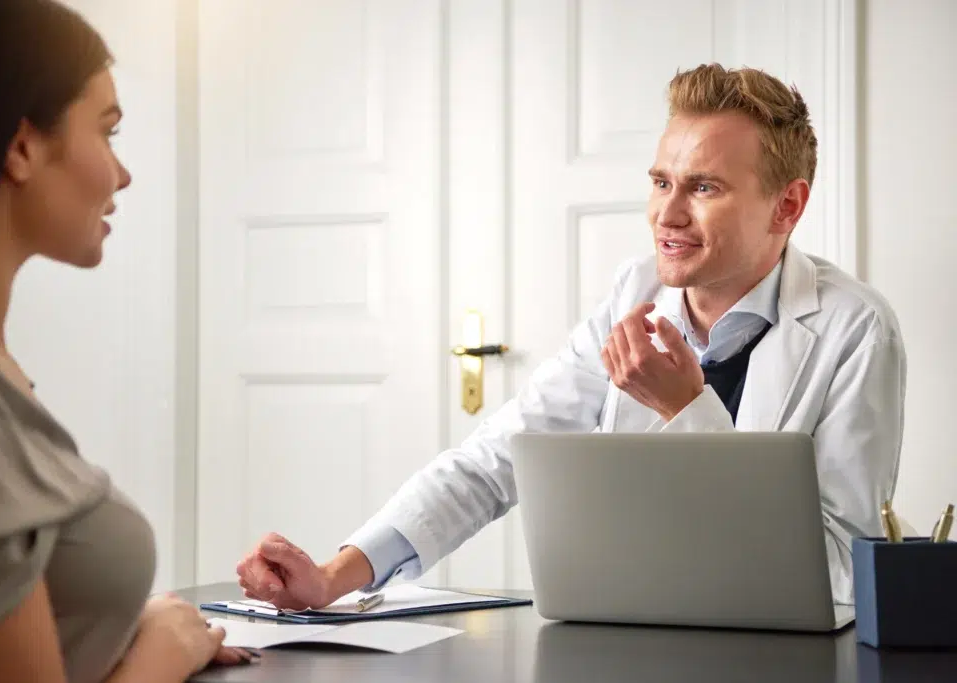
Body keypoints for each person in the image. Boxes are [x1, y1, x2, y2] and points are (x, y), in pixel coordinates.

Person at [238, 64, 906, 609]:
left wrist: (687, 410)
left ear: (787, 205)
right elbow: (495, 459)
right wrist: (334, 576)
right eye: (661, 181)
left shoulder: (853, 329)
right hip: (620, 633)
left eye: (704, 187)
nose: (666, 214)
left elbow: (845, 571)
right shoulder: (634, 292)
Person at [0, 1, 257, 682]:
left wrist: (119, 625)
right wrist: (162, 652)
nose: (122, 173)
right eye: (107, 133)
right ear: (21, 147)